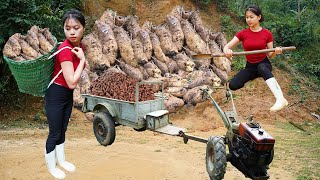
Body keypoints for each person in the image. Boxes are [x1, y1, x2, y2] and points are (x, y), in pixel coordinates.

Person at [44, 9, 86, 179]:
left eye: (76, 27)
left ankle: (60, 161)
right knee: (54, 132)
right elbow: (71, 82)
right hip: (55, 94)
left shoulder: (79, 46)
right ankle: (51, 166)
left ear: (83, 27)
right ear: (63, 29)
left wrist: (82, 58)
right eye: (68, 28)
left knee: (63, 130)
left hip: (67, 95)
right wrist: (83, 60)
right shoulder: (65, 49)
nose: (72, 32)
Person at [223, 5, 288, 112]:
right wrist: (227, 51)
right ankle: (255, 75)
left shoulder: (267, 34)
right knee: (233, 85)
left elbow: (270, 54)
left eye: (251, 17)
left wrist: (276, 52)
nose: (248, 20)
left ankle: (281, 99)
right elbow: (227, 46)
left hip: (264, 64)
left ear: (259, 17)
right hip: (251, 67)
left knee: (262, 68)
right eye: (247, 17)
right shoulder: (243, 33)